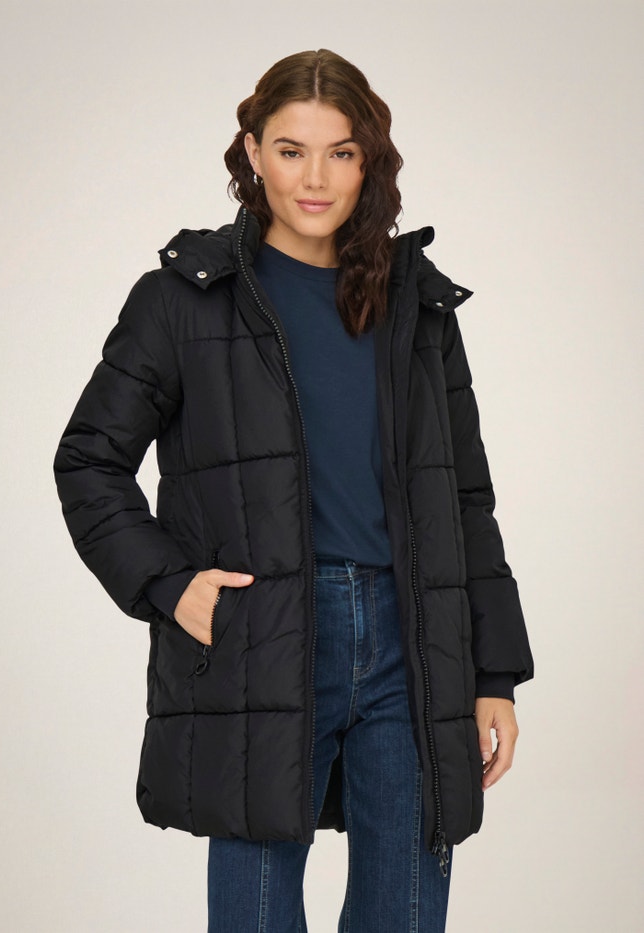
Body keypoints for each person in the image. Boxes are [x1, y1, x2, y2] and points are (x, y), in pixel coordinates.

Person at [54, 48, 534, 933]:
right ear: (252, 152)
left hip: (411, 637)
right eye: (291, 150)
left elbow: (465, 496)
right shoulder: (184, 300)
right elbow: (89, 458)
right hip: (261, 631)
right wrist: (169, 584)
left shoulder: (416, 306)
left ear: (368, 161)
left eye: (340, 152)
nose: (315, 178)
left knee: (405, 909)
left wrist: (493, 670)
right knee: (258, 911)